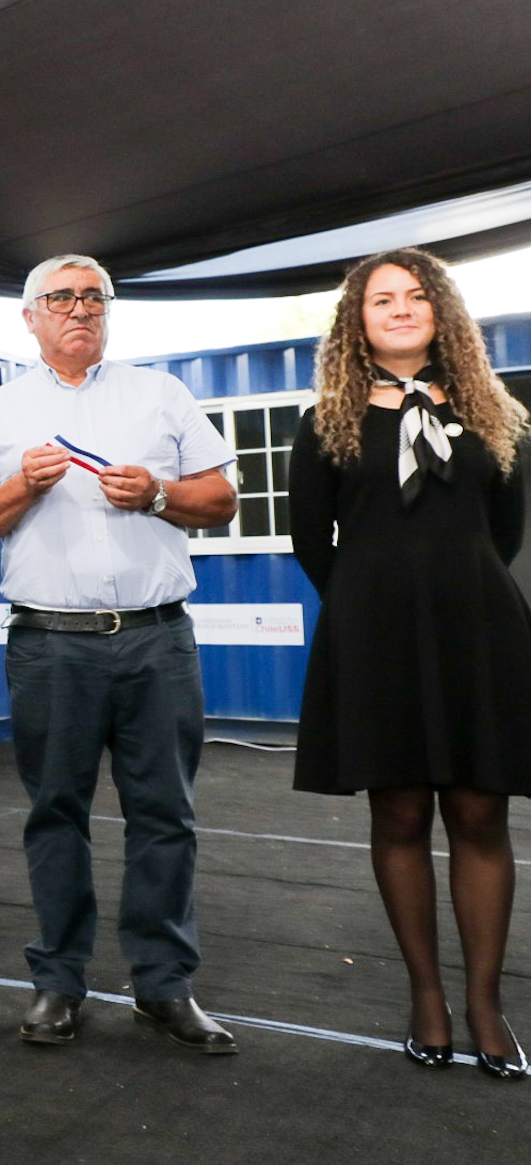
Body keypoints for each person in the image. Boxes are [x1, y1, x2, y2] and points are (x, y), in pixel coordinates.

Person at [0, 254, 239, 1054]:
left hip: (157, 637)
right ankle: (58, 984)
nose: (80, 309)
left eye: (93, 297)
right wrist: (19, 489)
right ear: (29, 318)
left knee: (166, 815)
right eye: (61, 298)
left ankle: (164, 986)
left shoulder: (162, 395)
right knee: (56, 814)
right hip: (50, 644)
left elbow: (220, 499)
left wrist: (157, 492)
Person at [288, 247, 531, 1078]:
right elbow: (310, 542)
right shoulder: (326, 419)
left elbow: (506, 532)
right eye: (381, 298)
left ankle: (486, 1005)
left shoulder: (496, 409)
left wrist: (455, 588)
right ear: (356, 319)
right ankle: (427, 997)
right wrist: (369, 598)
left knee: (478, 814)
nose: (399, 307)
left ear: (443, 311)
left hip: (477, 634)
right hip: (375, 640)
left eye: (416, 295)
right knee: (397, 815)